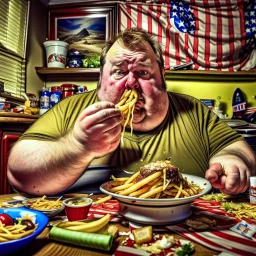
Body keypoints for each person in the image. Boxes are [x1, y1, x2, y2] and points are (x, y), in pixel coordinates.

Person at [7, 28, 255, 196]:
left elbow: (237, 148)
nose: (131, 83)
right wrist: (77, 146)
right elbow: (19, 172)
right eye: (119, 72)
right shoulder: (69, 108)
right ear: (100, 79)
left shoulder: (193, 110)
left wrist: (233, 161)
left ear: (163, 79)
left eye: (143, 73)